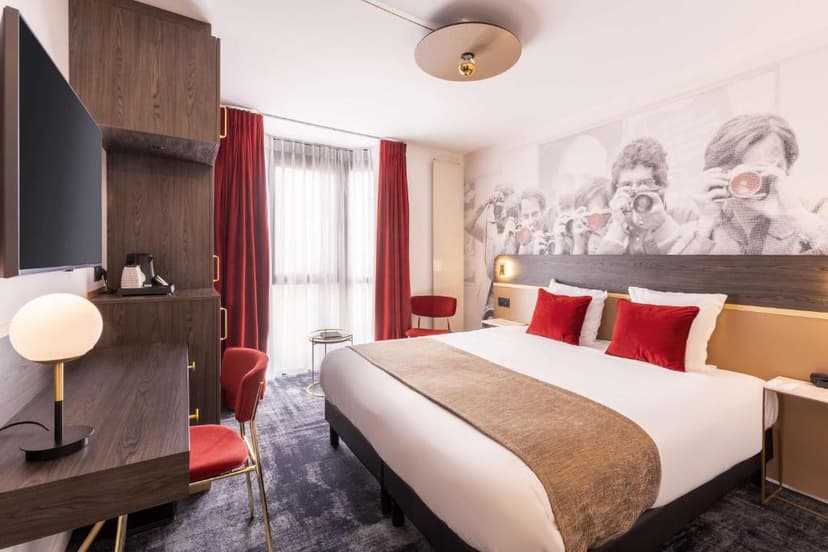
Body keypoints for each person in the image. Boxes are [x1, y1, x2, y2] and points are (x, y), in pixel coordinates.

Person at [678, 114, 828, 254]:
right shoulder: (702, 227)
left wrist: (798, 216)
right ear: (718, 173)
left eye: (764, 170)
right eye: (742, 173)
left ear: (786, 168)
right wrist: (706, 225)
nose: (753, 182)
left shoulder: (816, 211)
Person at [596, 138, 689, 254]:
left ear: (660, 186)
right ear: (616, 190)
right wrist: (618, 227)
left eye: (644, 183)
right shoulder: (604, 228)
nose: (635, 191)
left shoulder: (685, 217)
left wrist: (663, 226)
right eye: (627, 185)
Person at [551, 176, 613, 255]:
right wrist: (559, 248)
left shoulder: (622, 240)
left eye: (603, 218)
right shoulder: (576, 240)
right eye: (586, 219)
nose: (595, 229)